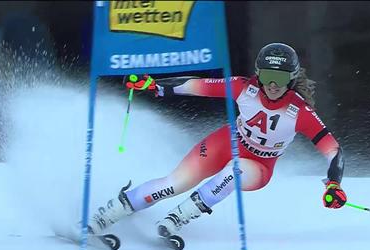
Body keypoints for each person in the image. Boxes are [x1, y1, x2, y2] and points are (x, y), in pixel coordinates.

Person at [88, 42, 347, 240]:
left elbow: (333, 151)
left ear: (291, 78)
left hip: (259, 166)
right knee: (175, 183)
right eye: (267, 76)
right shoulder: (244, 88)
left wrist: (333, 184)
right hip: (227, 142)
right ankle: (106, 216)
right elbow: (195, 85)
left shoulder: (299, 112)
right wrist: (154, 85)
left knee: (234, 172)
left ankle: (178, 217)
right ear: (258, 73)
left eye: (279, 78)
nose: (272, 84)